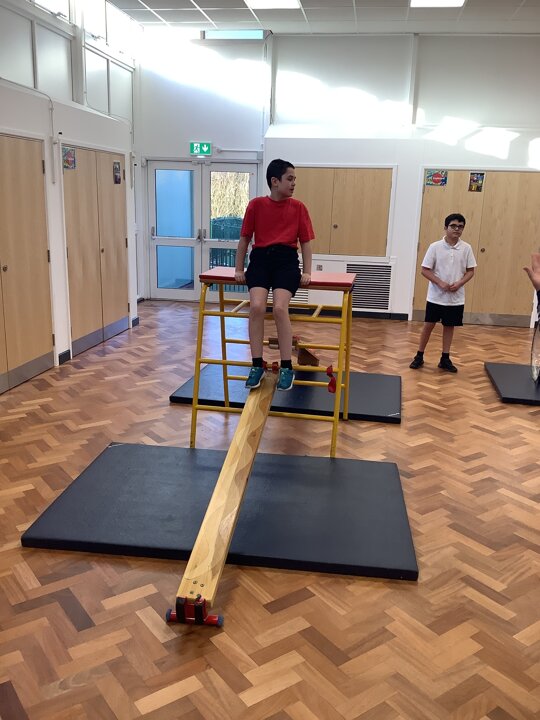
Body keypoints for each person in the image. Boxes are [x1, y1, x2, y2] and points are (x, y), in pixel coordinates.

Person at [234, 159, 314, 391]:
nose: (294, 183)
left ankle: (287, 367)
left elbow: (306, 243)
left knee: (280, 308)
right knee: (257, 307)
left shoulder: (298, 208)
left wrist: (307, 271)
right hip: (261, 260)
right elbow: (244, 239)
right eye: (290, 179)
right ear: (275, 181)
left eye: (294, 179)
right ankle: (257, 365)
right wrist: (238, 268)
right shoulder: (256, 205)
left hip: (286, 261)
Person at [410, 213, 477, 373]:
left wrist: (459, 283)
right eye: (453, 226)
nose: (457, 229)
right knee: (428, 325)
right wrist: (440, 283)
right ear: (446, 227)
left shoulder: (466, 248)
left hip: (455, 298)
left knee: (449, 326)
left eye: (460, 226)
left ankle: (445, 358)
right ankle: (419, 355)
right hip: (435, 297)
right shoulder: (435, 247)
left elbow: (470, 271)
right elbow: (425, 270)